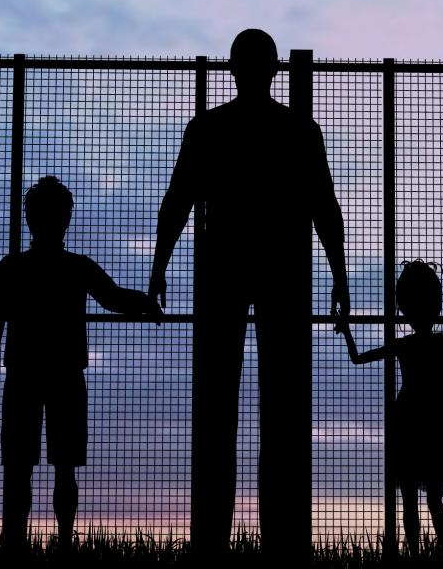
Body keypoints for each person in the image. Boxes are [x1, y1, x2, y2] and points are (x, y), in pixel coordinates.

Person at [148, 28, 349, 563]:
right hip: (282, 270)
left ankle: (212, 540)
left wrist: (159, 266)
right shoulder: (297, 129)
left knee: (216, 407)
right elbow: (325, 207)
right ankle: (282, 541)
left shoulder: (210, 127)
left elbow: (177, 200)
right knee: (282, 410)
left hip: (223, 269)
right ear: (275, 69)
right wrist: (340, 273)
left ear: (233, 69)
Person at [0, 176, 161, 553]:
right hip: (65, 372)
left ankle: (15, 545)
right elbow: (112, 297)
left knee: (19, 466)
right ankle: (63, 544)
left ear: (30, 218)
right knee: (64, 466)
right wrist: (145, 301)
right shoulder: (76, 267)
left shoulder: (12, 267)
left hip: (24, 371)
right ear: (65, 218)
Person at [335, 260, 443, 557]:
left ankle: (415, 555)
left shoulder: (405, 345)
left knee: (410, 500)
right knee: (433, 499)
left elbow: (357, 358)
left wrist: (347, 330)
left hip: (408, 417)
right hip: (436, 418)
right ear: (436, 304)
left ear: (404, 307)